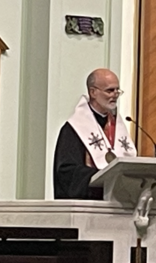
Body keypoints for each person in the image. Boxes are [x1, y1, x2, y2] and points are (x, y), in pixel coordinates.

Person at [53, 68, 137, 199]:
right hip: (90, 205)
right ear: (93, 92)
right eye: (110, 90)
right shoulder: (74, 129)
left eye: (117, 90)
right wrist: (102, 176)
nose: (115, 95)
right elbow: (67, 173)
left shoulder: (117, 126)